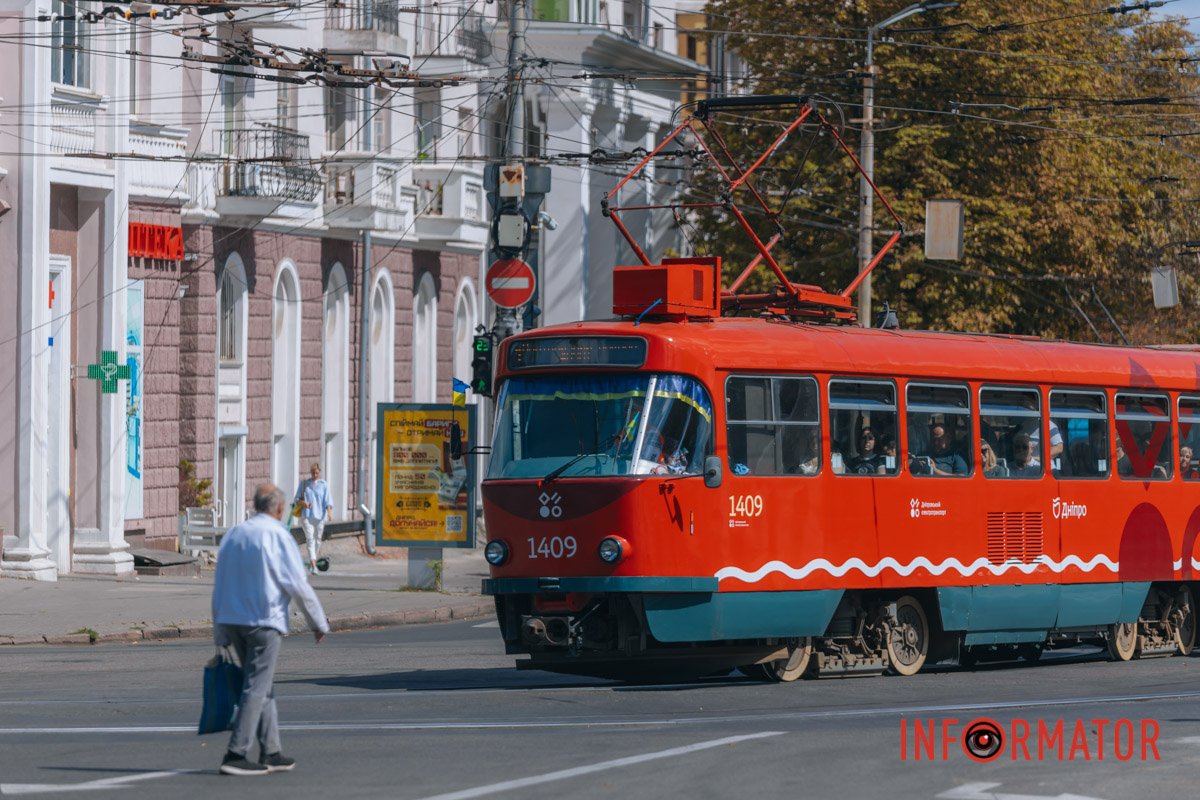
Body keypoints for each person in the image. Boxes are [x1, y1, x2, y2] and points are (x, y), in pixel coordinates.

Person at [212, 484, 330, 777]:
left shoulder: (235, 534)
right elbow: (298, 584)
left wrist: (219, 628)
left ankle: (272, 751)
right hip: (264, 620)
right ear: (278, 509)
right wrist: (318, 622)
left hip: (233, 619)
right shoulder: (279, 535)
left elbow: (220, 583)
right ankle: (236, 753)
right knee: (256, 685)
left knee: (260, 684)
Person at [292, 464, 333, 575]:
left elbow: (328, 501)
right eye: (313, 473)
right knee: (310, 538)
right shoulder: (304, 483)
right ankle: (314, 565)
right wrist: (303, 503)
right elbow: (296, 499)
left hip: (320, 516)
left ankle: (312, 561)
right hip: (306, 515)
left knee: (318, 539)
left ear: (319, 472)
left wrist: (329, 513)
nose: (315, 475)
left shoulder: (324, 485)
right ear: (310, 472)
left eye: (317, 473)